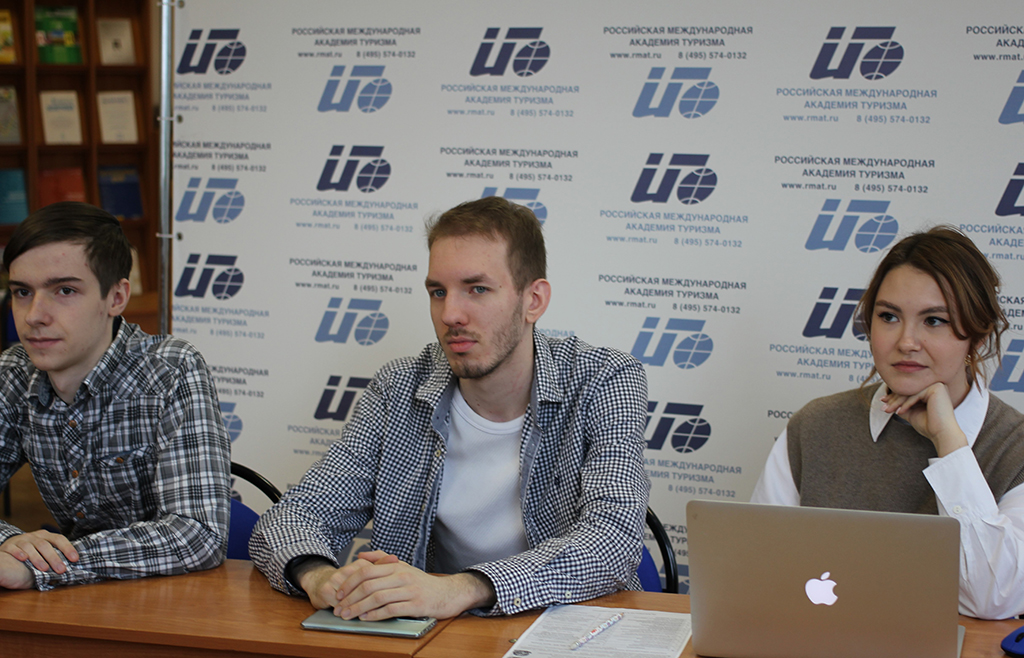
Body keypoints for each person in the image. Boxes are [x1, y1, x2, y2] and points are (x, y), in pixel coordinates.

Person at [250, 196, 650, 620]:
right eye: (438, 292)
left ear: (533, 300)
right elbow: (295, 516)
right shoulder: (398, 387)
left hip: (566, 629)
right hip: (436, 636)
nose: (450, 314)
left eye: (477, 289)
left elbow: (614, 540)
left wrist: (461, 589)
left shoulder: (604, 379)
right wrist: (318, 577)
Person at [752, 225, 1024, 619]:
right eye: (889, 316)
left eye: (934, 321)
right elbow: (758, 570)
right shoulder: (815, 426)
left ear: (977, 337)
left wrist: (950, 444)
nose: (906, 342)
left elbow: (993, 598)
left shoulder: (1015, 445)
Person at [0, 202, 230, 590]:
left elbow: (198, 534)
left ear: (117, 297)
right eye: (22, 292)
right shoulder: (14, 372)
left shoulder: (170, 370)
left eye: (65, 290)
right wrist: (10, 542)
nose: (34, 315)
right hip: (76, 595)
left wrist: (42, 566)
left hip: (170, 595)